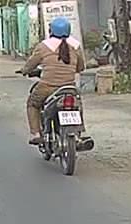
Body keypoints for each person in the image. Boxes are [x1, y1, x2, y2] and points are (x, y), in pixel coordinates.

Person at [20, 17, 85, 145]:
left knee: (33, 104)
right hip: (69, 87)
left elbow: (31, 64)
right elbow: (81, 67)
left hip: (47, 87)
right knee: (77, 105)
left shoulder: (43, 46)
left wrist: (24, 70)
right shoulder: (76, 46)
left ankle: (36, 133)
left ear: (51, 30)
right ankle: (78, 134)